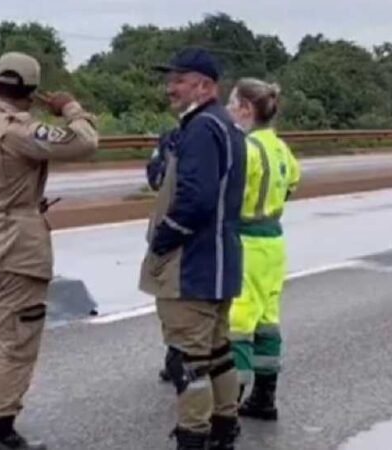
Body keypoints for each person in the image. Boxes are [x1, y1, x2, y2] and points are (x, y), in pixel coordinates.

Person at [0, 51, 99, 450]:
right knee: (16, 342)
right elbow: (85, 142)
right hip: (15, 249)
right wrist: (70, 109)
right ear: (30, 91)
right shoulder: (16, 130)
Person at [139, 47, 247, 450]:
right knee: (218, 352)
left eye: (179, 80)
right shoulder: (227, 125)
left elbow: (196, 199)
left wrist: (164, 239)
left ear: (204, 85)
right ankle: (224, 428)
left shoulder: (201, 128)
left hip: (192, 266)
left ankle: (194, 436)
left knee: (188, 361)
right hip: (220, 262)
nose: (171, 87)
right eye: (171, 80)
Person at [225, 78, 300, 421]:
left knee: (238, 322)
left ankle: (228, 406)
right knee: (267, 321)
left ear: (246, 109)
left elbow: (230, 192)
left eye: (231, 103)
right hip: (274, 242)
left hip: (248, 242)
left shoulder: (247, 148)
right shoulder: (280, 147)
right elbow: (293, 183)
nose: (227, 109)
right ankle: (265, 397)